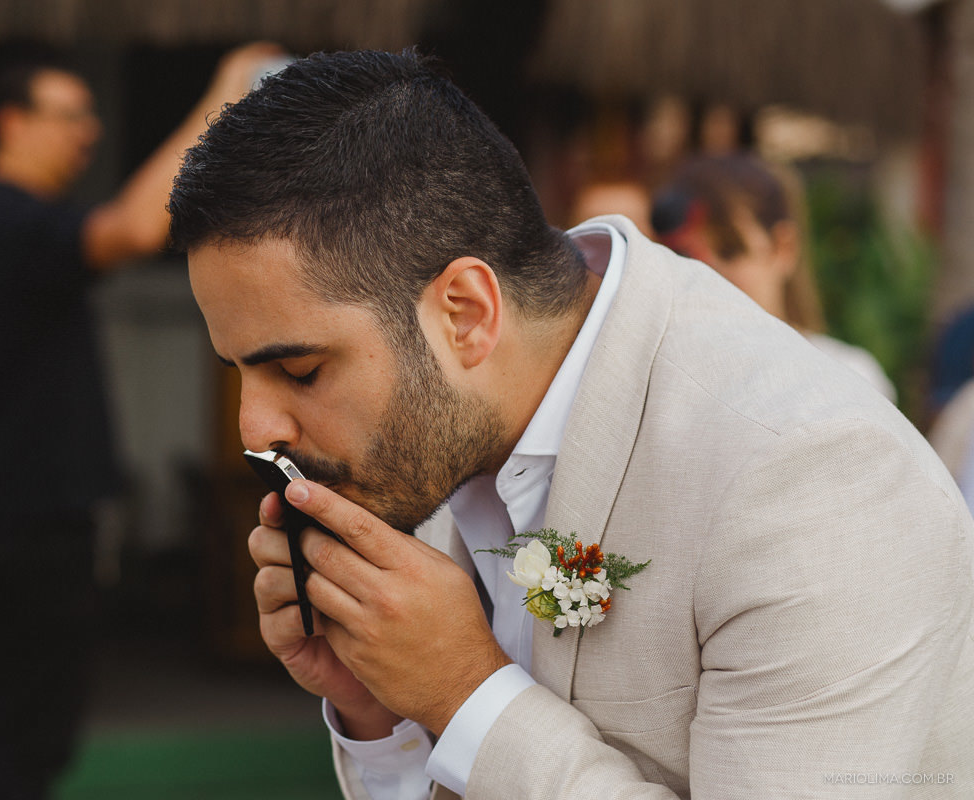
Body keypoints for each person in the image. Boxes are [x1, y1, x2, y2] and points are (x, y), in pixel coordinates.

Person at [168, 50, 974, 799]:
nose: (257, 428)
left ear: (466, 314)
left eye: (301, 371)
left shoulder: (807, 474)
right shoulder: (436, 435)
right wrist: (383, 711)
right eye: (237, 370)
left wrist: (465, 695)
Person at [0, 42, 282, 800]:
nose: (86, 132)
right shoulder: (17, 221)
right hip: (31, 530)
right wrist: (224, 96)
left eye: (92, 117)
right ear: (11, 123)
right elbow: (131, 230)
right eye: (67, 116)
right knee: (23, 739)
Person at [650, 153, 897, 402]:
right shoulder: (659, 379)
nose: (705, 271)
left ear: (783, 247)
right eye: (682, 254)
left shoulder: (849, 377)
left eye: (730, 250)